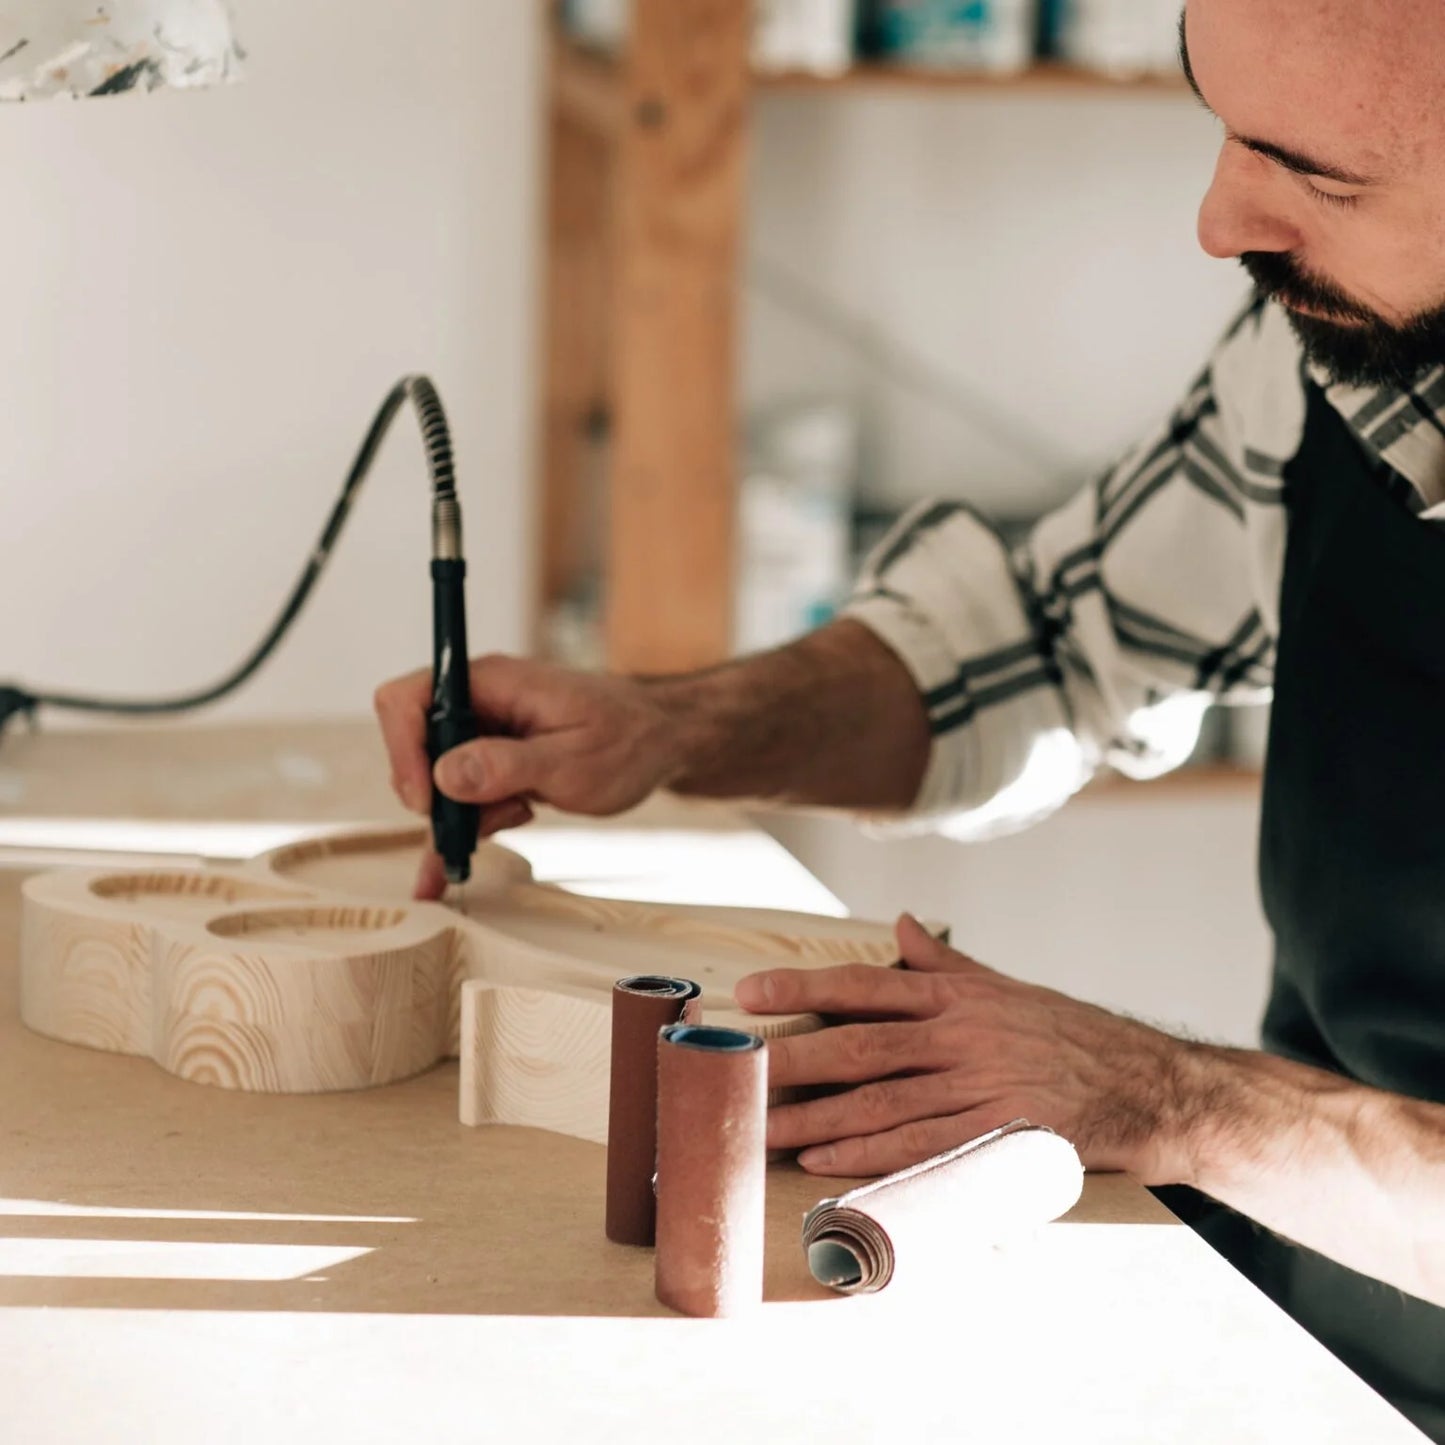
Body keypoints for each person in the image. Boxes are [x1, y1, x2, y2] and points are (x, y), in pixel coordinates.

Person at [376, 0, 1445, 1434]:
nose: (1215, 218)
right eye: (1218, 118)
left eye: (1312, 174)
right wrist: (672, 724)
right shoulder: (1339, 352)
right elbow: (1045, 639)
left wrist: (1158, 1093)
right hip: (1293, 1323)